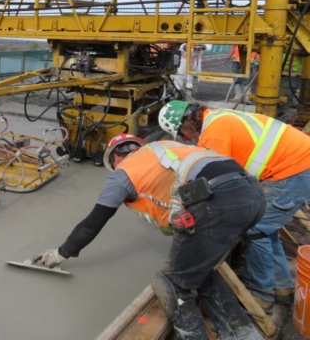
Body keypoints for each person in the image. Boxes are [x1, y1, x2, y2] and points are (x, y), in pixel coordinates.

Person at [34, 134, 265, 340]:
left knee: (171, 282)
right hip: (253, 195)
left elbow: (94, 222)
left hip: (216, 203)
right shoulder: (167, 149)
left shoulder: (122, 175)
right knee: (196, 270)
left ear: (115, 158)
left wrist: (61, 253)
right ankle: (244, 333)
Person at [158, 100, 310, 311]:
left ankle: (262, 294)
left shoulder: (214, 135)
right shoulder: (218, 118)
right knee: (266, 226)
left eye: (183, 135)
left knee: (255, 228)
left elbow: (215, 185)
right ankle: (281, 286)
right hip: (297, 164)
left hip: (294, 171)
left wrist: (191, 212)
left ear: (187, 125)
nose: (187, 140)